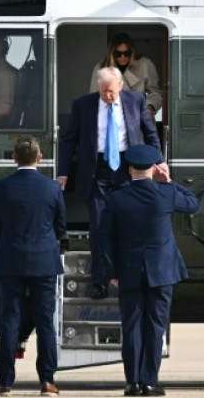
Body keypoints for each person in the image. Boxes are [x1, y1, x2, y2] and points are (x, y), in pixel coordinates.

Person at [57, 67, 168, 299]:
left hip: (128, 170)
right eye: (104, 91)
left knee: (128, 226)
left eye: (112, 91)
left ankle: (129, 278)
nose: (108, 96)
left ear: (120, 86)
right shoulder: (83, 105)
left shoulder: (136, 100)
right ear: (98, 87)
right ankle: (100, 280)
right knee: (99, 228)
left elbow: (151, 133)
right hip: (96, 171)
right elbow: (68, 141)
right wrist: (63, 172)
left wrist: (159, 161)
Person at [99, 145, 198, 397]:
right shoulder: (165, 194)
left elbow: (105, 238)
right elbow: (193, 204)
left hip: (129, 271)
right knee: (155, 326)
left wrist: (111, 272)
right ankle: (150, 382)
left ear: (130, 169)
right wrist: (169, 181)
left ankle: (132, 382)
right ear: (154, 168)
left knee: (132, 326)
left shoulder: (116, 197)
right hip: (162, 271)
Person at [0, 136, 67, 397]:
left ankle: (5, 382)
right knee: (45, 323)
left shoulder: (0, 188)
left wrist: (11, 242)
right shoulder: (52, 188)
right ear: (40, 158)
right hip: (44, 262)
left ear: (13, 158)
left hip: (10, 260)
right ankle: (47, 381)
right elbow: (60, 226)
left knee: (9, 320)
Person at [91, 33, 163, 116]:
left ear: (132, 52)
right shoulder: (101, 68)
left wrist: (150, 106)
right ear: (111, 53)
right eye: (118, 54)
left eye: (126, 53)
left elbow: (157, 93)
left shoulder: (145, 65)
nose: (122, 57)